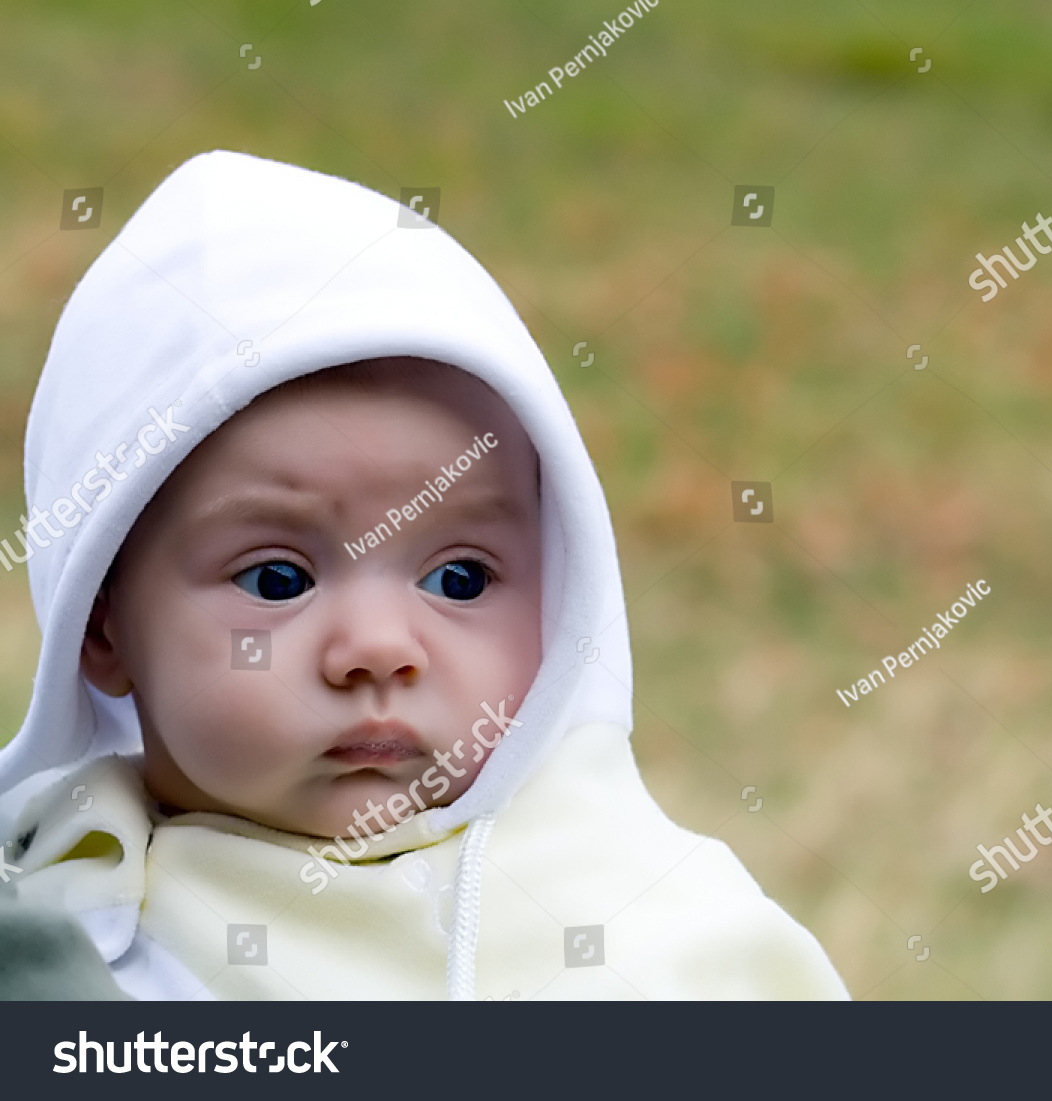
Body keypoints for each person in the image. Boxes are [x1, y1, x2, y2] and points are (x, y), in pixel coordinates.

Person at [0, 150, 847, 1000]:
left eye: (461, 580)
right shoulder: (60, 930)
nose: (377, 649)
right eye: (276, 580)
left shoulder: (662, 929)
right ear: (103, 625)